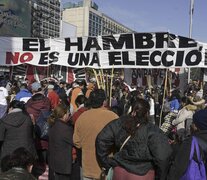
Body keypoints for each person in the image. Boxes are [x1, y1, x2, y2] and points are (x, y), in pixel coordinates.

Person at [96, 98, 172, 180]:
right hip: (142, 174)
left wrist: (105, 162)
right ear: (147, 113)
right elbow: (163, 157)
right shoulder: (152, 130)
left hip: (119, 172)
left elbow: (101, 139)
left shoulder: (119, 123)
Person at [73, 89, 118, 180]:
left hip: (88, 167)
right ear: (104, 101)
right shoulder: (113, 117)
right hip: (107, 168)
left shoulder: (82, 117)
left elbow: (77, 142)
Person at [167, 109, 207, 180]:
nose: (191, 125)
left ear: (198, 126)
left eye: (193, 122)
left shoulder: (191, 142)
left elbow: (178, 168)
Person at [48, 104, 73, 180]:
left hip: (53, 161)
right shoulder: (65, 128)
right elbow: (75, 142)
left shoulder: (53, 124)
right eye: (69, 114)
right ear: (64, 115)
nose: (70, 115)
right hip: (62, 163)